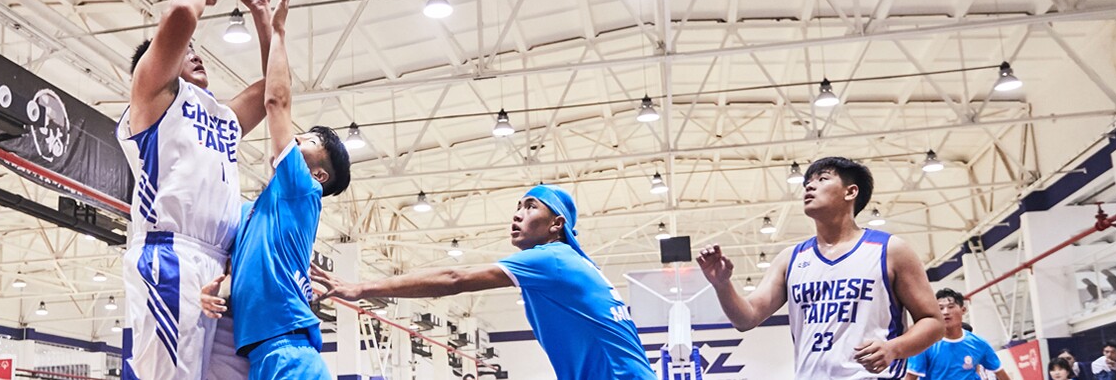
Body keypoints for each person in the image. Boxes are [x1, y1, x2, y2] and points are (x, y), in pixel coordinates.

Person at [306, 184, 656, 380]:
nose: (518, 214)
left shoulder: (552, 258)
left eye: (531, 207)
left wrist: (359, 288)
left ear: (556, 225)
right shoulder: (577, 264)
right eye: (517, 206)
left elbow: (454, 278)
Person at [118, 0, 279, 380]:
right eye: (184, 50)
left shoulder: (222, 116)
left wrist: (263, 18)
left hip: (219, 269)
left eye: (195, 48)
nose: (194, 52)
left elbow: (275, 90)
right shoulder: (152, 99)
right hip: (171, 258)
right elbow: (179, 20)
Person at [198, 0, 352, 380]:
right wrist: (215, 290)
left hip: (289, 351)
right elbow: (235, 271)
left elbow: (276, 101)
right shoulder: (254, 212)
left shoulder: (303, 192)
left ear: (317, 175)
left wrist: (276, 28)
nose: (294, 136)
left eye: (306, 140)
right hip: (261, 354)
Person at [697, 157, 942, 378]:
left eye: (822, 179)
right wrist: (722, 285)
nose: (809, 186)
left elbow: (933, 321)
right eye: (807, 182)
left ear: (850, 191)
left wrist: (893, 348)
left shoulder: (890, 250)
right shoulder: (789, 258)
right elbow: (746, 318)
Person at [903, 289, 1009, 380]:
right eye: (940, 308)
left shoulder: (979, 344)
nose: (945, 312)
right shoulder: (924, 345)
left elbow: (1001, 373)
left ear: (963, 310)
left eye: (951, 307)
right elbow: (910, 377)